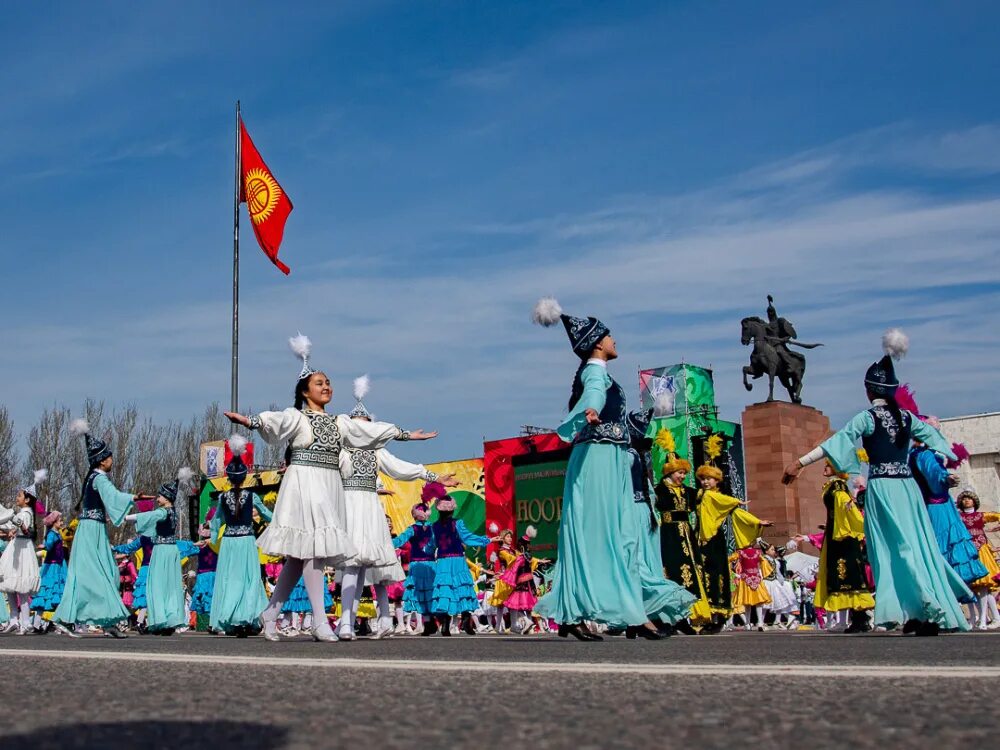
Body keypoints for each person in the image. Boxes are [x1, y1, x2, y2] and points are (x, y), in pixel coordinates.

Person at [224, 333, 438, 642]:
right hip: (304, 484)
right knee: (313, 550)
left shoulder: (339, 422)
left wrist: (403, 434)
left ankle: (270, 614)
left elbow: (367, 432)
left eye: (328, 383)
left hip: (328, 486)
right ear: (305, 391)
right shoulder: (297, 417)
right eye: (320, 383)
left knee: (300, 557)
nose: (327, 387)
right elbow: (276, 422)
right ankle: (320, 621)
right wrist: (251, 421)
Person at [783, 330, 972, 635]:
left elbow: (837, 442)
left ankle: (926, 610)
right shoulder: (908, 419)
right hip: (907, 488)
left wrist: (799, 463)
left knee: (891, 549)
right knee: (914, 545)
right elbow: (937, 440)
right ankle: (915, 610)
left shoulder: (868, 418)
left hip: (883, 487)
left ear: (870, 391)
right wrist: (947, 458)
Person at [531, 298, 678, 641]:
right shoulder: (595, 371)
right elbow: (594, 394)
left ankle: (624, 612)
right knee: (606, 534)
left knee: (611, 534)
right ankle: (624, 614)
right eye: (610, 336)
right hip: (596, 456)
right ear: (598, 343)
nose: (615, 341)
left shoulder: (599, 371)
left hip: (606, 456)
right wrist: (590, 411)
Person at [338, 375, 458, 640]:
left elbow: (401, 468)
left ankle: (356, 620)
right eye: (358, 426)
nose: (362, 431)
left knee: (361, 565)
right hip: (348, 505)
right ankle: (346, 621)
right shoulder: (342, 450)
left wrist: (433, 477)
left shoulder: (375, 451)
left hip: (368, 507)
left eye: (367, 426)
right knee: (350, 565)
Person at [55, 420, 141, 638]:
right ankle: (66, 619)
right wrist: (133, 497)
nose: (112, 459)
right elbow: (113, 497)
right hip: (91, 531)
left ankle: (108, 621)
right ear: (102, 461)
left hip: (94, 529)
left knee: (108, 573)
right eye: (109, 456)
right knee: (90, 575)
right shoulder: (99, 479)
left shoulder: (93, 477)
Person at [695, 441, 772, 634]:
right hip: (698, 538)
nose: (706, 482)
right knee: (702, 576)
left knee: (716, 576)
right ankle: (703, 615)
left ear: (717, 482)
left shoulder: (718, 497)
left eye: (710, 479)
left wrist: (756, 522)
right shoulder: (699, 495)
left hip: (714, 540)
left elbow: (737, 512)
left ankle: (718, 616)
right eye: (703, 478)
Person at [799, 462, 875, 634]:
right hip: (836, 536)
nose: (824, 468)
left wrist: (850, 509)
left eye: (829, 465)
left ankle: (856, 619)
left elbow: (843, 502)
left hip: (842, 537)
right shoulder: (834, 486)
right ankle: (853, 620)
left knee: (846, 577)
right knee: (840, 577)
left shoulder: (838, 487)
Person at [209, 435, 273, 636]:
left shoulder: (222, 497)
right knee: (248, 580)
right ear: (245, 477)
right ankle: (248, 618)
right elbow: (267, 515)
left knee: (229, 580)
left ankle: (231, 618)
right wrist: (283, 523)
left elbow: (216, 521)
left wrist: (211, 538)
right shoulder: (252, 496)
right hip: (246, 541)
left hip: (228, 542)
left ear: (228, 477)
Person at [125, 469, 199, 635]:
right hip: (171, 550)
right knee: (171, 587)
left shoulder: (163, 512)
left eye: (160, 496)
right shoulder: (173, 513)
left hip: (160, 552)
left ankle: (160, 620)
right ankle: (170, 619)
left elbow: (146, 517)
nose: (158, 498)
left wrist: (124, 518)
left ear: (167, 498)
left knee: (157, 586)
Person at [654, 433, 712, 633]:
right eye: (679, 473)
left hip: (687, 535)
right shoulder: (658, 490)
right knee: (673, 572)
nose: (682, 476)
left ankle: (691, 617)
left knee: (693, 573)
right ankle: (671, 619)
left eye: (684, 473)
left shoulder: (688, 491)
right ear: (669, 472)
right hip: (669, 536)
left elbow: (707, 500)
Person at [424, 481, 495, 636]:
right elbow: (468, 538)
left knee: (446, 592)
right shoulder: (457, 523)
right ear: (451, 510)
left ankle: (445, 624)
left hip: (442, 562)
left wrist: (426, 551)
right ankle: (466, 619)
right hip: (457, 560)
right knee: (463, 589)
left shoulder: (434, 526)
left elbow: (431, 545)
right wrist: (487, 540)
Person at [0, 470, 45, 634]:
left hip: (23, 550)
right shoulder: (20, 512)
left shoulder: (26, 513)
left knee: (22, 588)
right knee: (10, 585)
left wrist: (18, 524)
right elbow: (12, 527)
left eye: (19, 495)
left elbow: (25, 530)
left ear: (26, 500)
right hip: (15, 548)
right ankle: (14, 620)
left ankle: (25, 622)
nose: (16, 497)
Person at [955, 489, 1000, 630]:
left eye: (969, 498)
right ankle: (982, 618)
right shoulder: (958, 517)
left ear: (974, 501)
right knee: (973, 587)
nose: (966, 500)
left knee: (983, 586)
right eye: (964, 499)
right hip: (966, 552)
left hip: (982, 552)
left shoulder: (981, 516)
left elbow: (997, 516)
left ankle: (984, 619)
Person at [31, 510, 69, 632]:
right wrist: (44, 546)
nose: (62, 522)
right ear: (54, 522)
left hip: (59, 565)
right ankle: (38, 624)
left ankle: (52, 623)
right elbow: (49, 544)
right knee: (46, 593)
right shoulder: (52, 534)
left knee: (56, 594)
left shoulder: (57, 533)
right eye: (60, 520)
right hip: (52, 567)